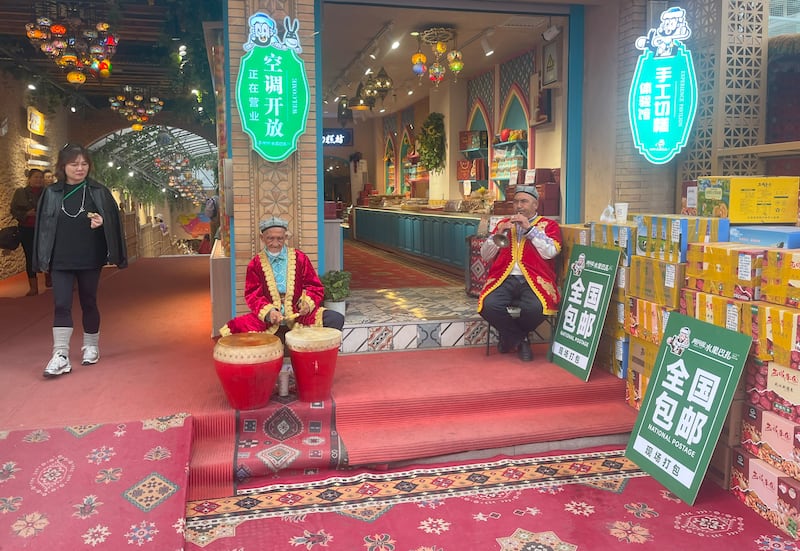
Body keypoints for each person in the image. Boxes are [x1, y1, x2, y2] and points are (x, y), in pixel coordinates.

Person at [33, 144, 127, 378]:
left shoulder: (99, 191)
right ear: (63, 167)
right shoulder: (52, 192)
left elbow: (113, 221)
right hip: (60, 257)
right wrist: (42, 257)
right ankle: (61, 354)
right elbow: (43, 227)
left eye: (84, 164)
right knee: (61, 304)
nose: (80, 168)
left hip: (89, 256)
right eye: (74, 164)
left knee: (88, 301)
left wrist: (101, 222)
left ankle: (91, 345)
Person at [219, 216, 344, 337]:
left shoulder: (300, 258)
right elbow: (252, 295)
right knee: (232, 329)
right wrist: (270, 312)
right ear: (262, 238)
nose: (275, 243)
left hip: (298, 315)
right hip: (269, 319)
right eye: (270, 238)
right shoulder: (255, 264)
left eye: (280, 239)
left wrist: (307, 303)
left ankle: (311, 356)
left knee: (335, 319)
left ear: (285, 237)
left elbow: (314, 286)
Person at [478, 185, 562, 362]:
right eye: (515, 202)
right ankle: (521, 340)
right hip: (504, 278)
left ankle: (508, 337)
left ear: (535, 205)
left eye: (524, 201)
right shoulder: (503, 224)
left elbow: (551, 251)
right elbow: (485, 255)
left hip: (534, 280)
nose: (519, 206)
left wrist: (530, 230)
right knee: (488, 305)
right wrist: (498, 235)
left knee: (537, 308)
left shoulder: (548, 225)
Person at [10, 169, 46, 296]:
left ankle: (50, 279)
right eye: (36, 177)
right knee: (30, 256)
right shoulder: (21, 193)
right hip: (27, 229)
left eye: (41, 177)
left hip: (45, 229)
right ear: (29, 179)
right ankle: (33, 287)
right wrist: (26, 214)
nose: (39, 180)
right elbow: (13, 210)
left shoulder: (48, 192)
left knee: (48, 254)